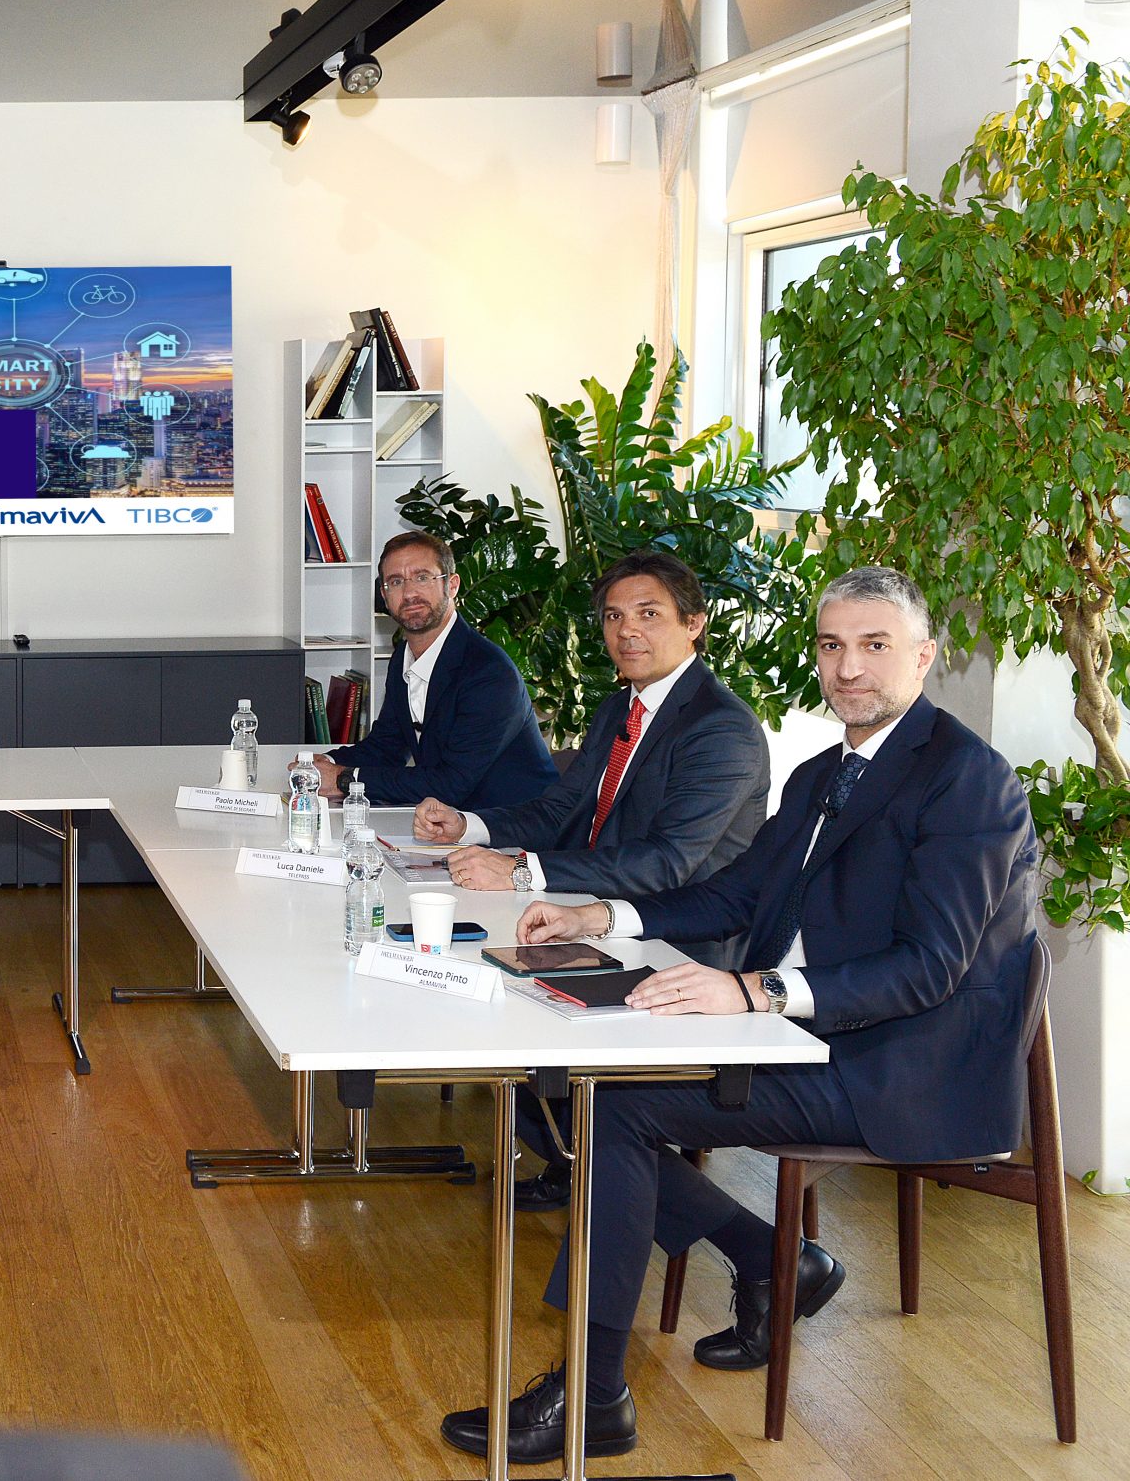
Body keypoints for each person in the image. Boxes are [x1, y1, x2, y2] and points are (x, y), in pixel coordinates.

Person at [439, 567, 1043, 1466]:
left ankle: (596, 1394)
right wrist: (600, 915)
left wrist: (755, 991)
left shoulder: (967, 779)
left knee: (612, 1104)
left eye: (874, 645)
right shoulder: (825, 772)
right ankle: (767, 1258)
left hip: (898, 1063)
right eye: (832, 646)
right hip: (800, 1033)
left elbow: (929, 967)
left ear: (924, 656)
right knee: (578, 1076)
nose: (848, 667)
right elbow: (734, 891)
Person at [412, 550, 770, 1209]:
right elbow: (559, 808)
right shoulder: (619, 708)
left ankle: (714, 1226)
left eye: (648, 614)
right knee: (495, 1027)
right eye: (612, 616)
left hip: (679, 947)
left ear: (694, 623)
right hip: (594, 919)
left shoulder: (723, 729)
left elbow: (666, 862)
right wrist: (470, 825)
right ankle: (581, 1166)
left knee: (521, 1052)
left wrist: (524, 870)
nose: (626, 630)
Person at [319, 530, 556, 809]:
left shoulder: (489, 672)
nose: (409, 593)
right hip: (449, 819)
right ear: (384, 594)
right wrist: (323, 764)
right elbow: (386, 747)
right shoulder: (403, 657)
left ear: (451, 585)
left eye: (422, 578)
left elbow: (450, 784)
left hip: (514, 824)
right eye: (396, 582)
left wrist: (345, 779)